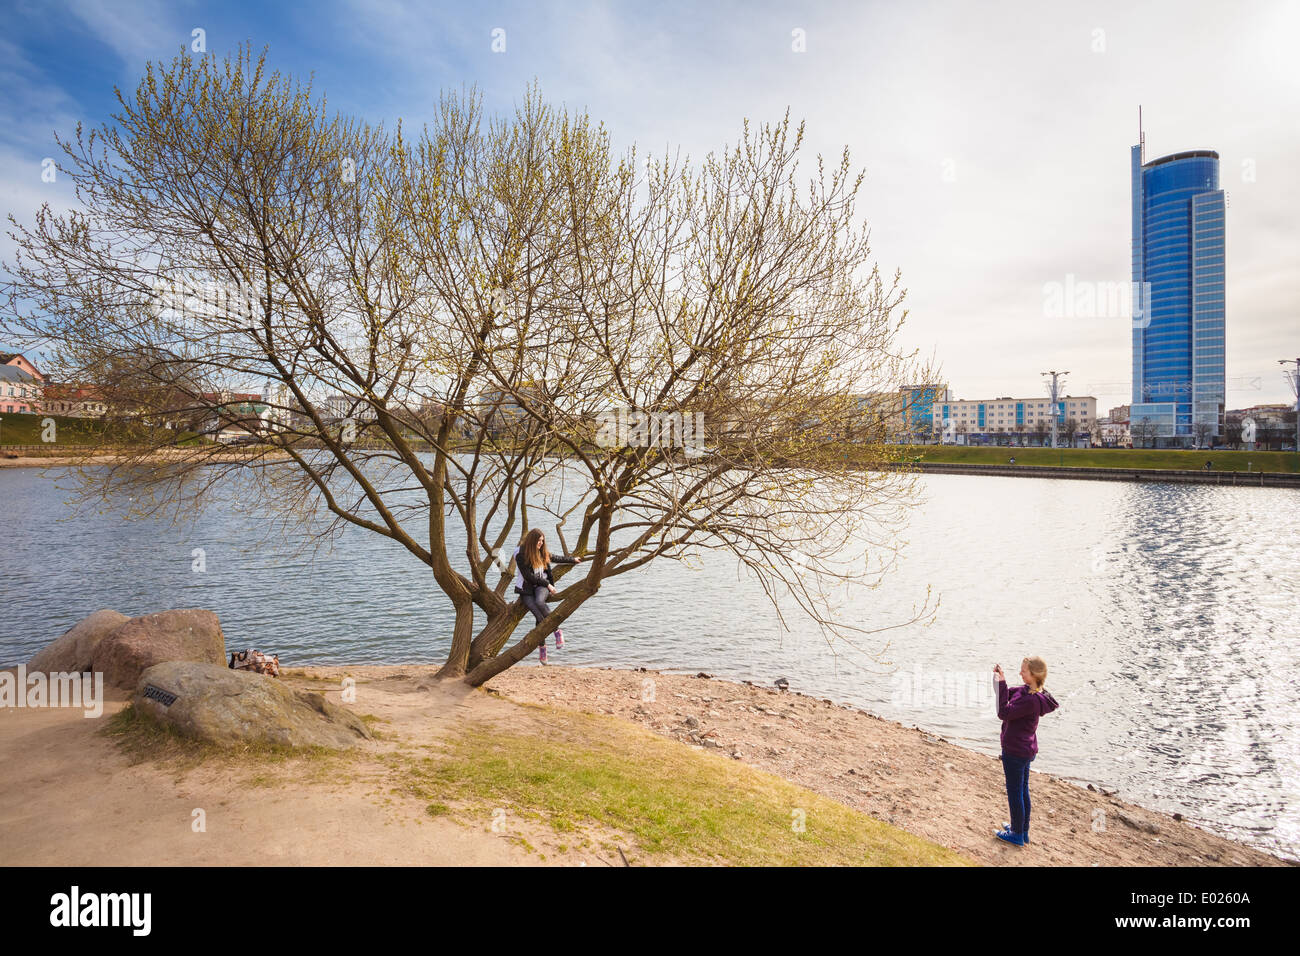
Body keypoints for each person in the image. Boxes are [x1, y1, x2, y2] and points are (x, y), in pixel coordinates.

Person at [992, 656, 1059, 847]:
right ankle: (1022, 829)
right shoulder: (1030, 691)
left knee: (1016, 791)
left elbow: (1003, 712)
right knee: (1022, 789)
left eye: (1024, 671)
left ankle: (1017, 834)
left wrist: (1001, 684)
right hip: (1025, 748)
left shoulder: (1031, 700)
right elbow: (1008, 694)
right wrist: (1000, 681)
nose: (1020, 673)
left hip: (1016, 750)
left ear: (1034, 675)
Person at [512, 528, 581, 664]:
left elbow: (555, 558)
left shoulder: (542, 552)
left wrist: (572, 560)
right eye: (539, 541)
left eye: (542, 541)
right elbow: (528, 576)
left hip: (541, 587)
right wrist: (548, 584)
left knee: (540, 602)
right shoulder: (520, 554)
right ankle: (543, 646)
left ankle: (556, 632)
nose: (541, 544)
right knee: (539, 617)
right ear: (532, 541)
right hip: (526, 589)